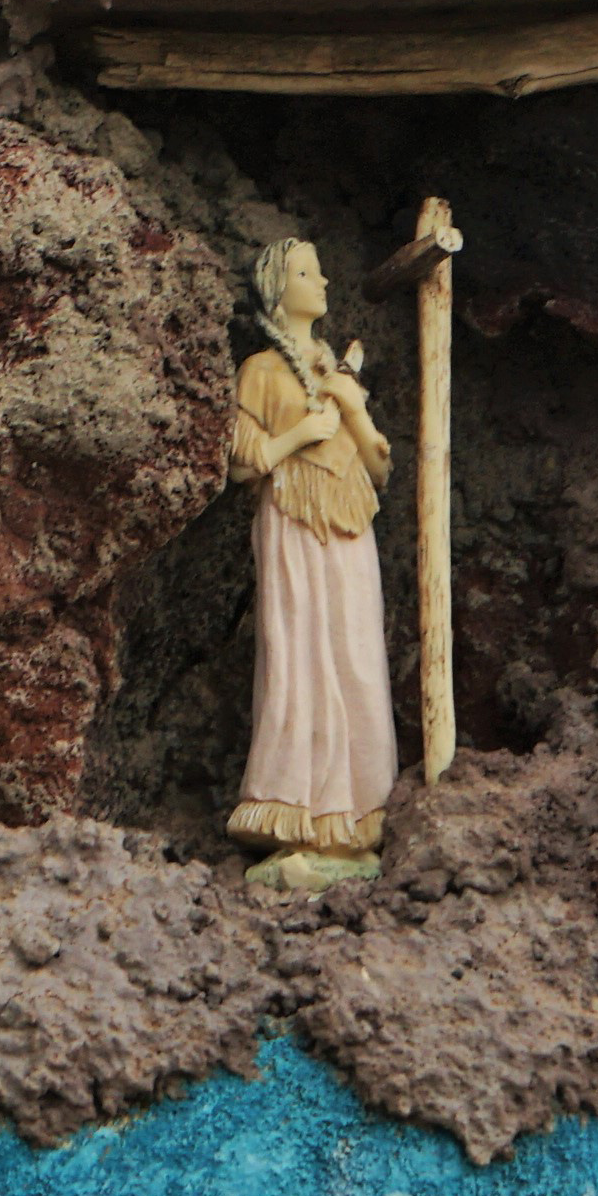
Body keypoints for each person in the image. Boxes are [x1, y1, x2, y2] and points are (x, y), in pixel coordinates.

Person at [224, 237, 396, 886]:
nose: (321, 281)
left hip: (350, 521)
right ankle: (293, 808)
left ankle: (355, 819)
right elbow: (244, 463)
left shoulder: (335, 369)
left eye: (319, 271)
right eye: (305, 272)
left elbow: (379, 468)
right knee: (300, 654)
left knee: (357, 656)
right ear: (278, 291)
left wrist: (352, 408)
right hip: (293, 518)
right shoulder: (262, 372)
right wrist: (301, 433)